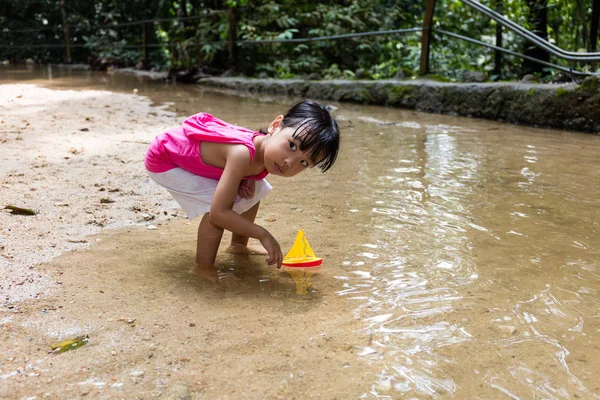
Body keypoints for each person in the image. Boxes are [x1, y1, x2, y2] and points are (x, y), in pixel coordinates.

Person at [144, 100, 340, 282]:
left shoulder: (266, 154)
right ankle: (203, 267)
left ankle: (238, 245)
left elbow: (249, 174)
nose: (290, 162)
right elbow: (219, 213)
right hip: (165, 159)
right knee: (217, 207)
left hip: (192, 157)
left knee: (255, 189)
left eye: (304, 162)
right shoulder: (242, 154)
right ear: (275, 126)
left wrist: (248, 178)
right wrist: (262, 234)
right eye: (291, 145)